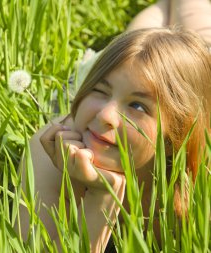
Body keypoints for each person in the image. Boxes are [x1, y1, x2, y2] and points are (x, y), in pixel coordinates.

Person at [17, 5, 211, 252]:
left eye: (138, 106)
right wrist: (101, 197)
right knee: (143, 45)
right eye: (99, 91)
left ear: (175, 137)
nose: (106, 115)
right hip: (141, 66)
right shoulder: (50, 154)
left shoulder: (201, 184)